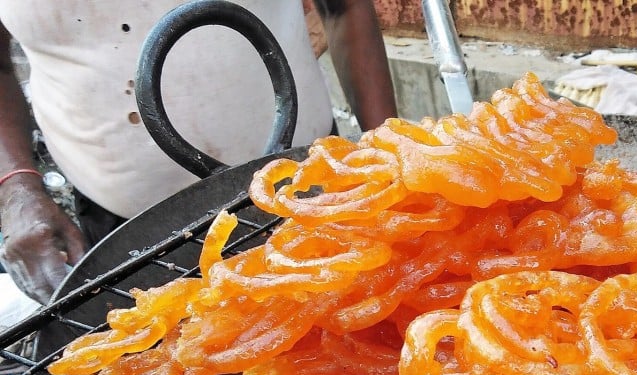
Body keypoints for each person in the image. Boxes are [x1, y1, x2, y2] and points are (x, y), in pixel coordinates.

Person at [0, 0, 397, 305]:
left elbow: (344, 6)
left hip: (311, 183)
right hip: (124, 223)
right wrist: (16, 185)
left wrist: (385, 146)